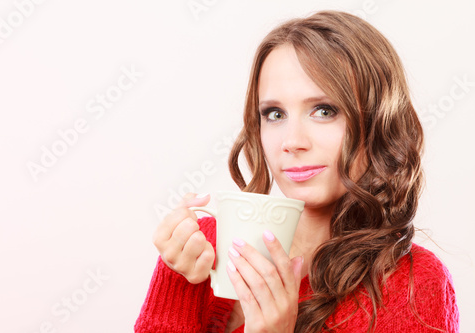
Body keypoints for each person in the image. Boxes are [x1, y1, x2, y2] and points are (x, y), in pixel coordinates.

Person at [134, 10, 459, 332]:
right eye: (274, 114)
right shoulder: (200, 248)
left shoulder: (416, 285)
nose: (291, 142)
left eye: (324, 110)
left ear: (378, 123)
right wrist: (181, 284)